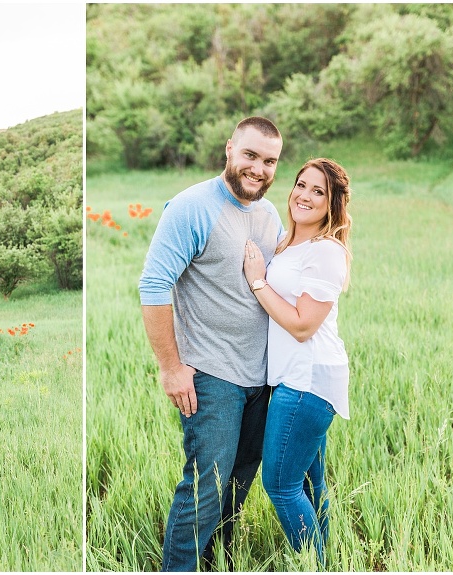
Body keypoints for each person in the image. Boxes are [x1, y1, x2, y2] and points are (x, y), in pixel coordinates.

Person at [139, 116, 284, 571]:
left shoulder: (269, 214)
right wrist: (171, 367)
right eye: (250, 155)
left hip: (261, 378)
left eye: (269, 161)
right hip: (212, 377)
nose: (258, 168)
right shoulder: (192, 207)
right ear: (229, 149)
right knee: (206, 487)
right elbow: (154, 285)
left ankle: (215, 560)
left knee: (239, 481)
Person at [243, 158, 352, 567]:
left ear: (332, 204)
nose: (304, 195)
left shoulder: (326, 251)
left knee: (281, 485)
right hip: (297, 378)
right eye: (301, 185)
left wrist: (258, 281)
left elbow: (303, 325)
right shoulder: (290, 242)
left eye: (318, 191)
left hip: (307, 381)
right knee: (311, 481)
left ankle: (315, 566)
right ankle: (325, 561)